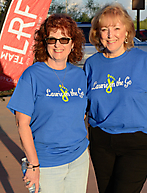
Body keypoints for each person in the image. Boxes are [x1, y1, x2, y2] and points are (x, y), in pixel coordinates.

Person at [7, 13, 89, 193]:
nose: (58, 45)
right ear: (45, 42)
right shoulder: (32, 75)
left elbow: (80, 114)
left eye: (64, 39)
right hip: (46, 163)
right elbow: (22, 125)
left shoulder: (79, 76)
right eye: (52, 39)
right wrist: (33, 165)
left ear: (73, 43)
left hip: (78, 159)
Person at [83, 3, 147, 193]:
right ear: (98, 33)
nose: (110, 34)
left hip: (138, 142)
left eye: (116, 28)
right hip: (101, 142)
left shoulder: (145, 61)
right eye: (105, 29)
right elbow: (84, 104)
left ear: (127, 32)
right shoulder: (92, 64)